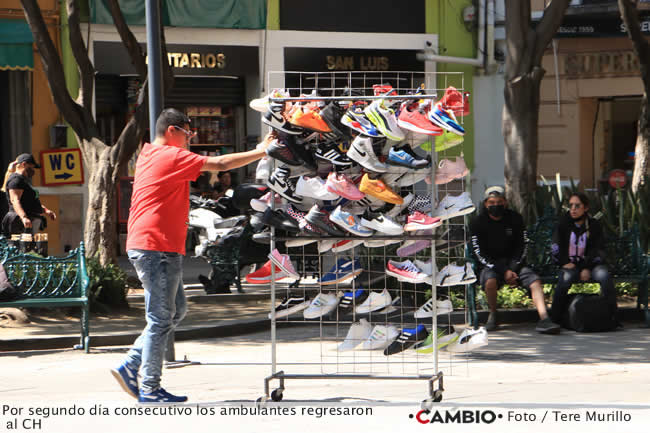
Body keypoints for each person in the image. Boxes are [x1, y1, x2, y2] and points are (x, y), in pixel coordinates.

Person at [110, 108, 271, 403]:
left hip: (159, 246)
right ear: (172, 131)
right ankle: (149, 387)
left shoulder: (150, 153)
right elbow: (220, 163)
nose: (190, 139)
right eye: (188, 132)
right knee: (160, 318)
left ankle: (131, 364)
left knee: (175, 311)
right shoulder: (168, 156)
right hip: (154, 246)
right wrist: (261, 151)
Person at [470, 186, 560, 334]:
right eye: (491, 202)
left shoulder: (515, 218)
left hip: (515, 265)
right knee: (490, 282)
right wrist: (504, 271)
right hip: (491, 267)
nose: (495, 205)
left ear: (505, 202)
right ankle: (493, 314)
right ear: (486, 204)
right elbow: (479, 253)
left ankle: (544, 319)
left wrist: (511, 269)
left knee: (535, 281)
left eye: (499, 201)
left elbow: (522, 246)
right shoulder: (477, 222)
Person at [550, 192, 617, 324]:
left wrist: (586, 267)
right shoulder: (563, 224)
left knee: (604, 277)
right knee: (565, 279)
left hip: (591, 265)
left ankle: (612, 317)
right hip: (570, 265)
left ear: (585, 208)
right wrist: (564, 262)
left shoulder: (594, 225)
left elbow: (598, 249)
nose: (573, 209)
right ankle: (554, 318)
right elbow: (556, 246)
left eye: (577, 205)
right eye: (571, 205)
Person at [1, 153, 56, 236]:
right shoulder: (16, 180)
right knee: (20, 248)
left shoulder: (23, 180)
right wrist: (24, 217)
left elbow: (29, 202)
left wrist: (46, 211)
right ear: (24, 164)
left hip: (25, 221)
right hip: (18, 222)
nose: (33, 170)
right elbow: (15, 200)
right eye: (32, 167)